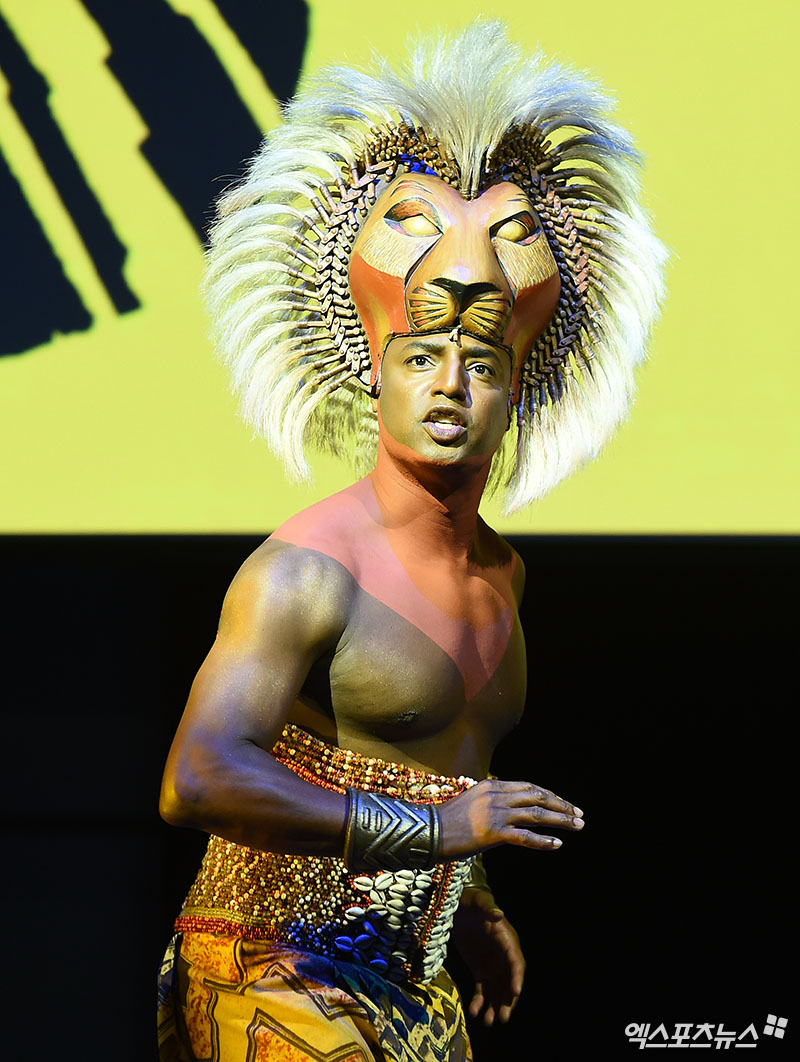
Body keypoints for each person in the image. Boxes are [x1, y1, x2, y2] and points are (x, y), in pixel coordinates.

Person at [157, 20, 665, 1062]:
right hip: (269, 967)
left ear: (517, 387)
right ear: (373, 374)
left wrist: (470, 904)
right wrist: (439, 837)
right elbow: (197, 778)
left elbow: (433, 763)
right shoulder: (307, 571)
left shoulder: (503, 576)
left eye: (480, 363)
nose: (448, 384)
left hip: (415, 986)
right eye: (420, 355)